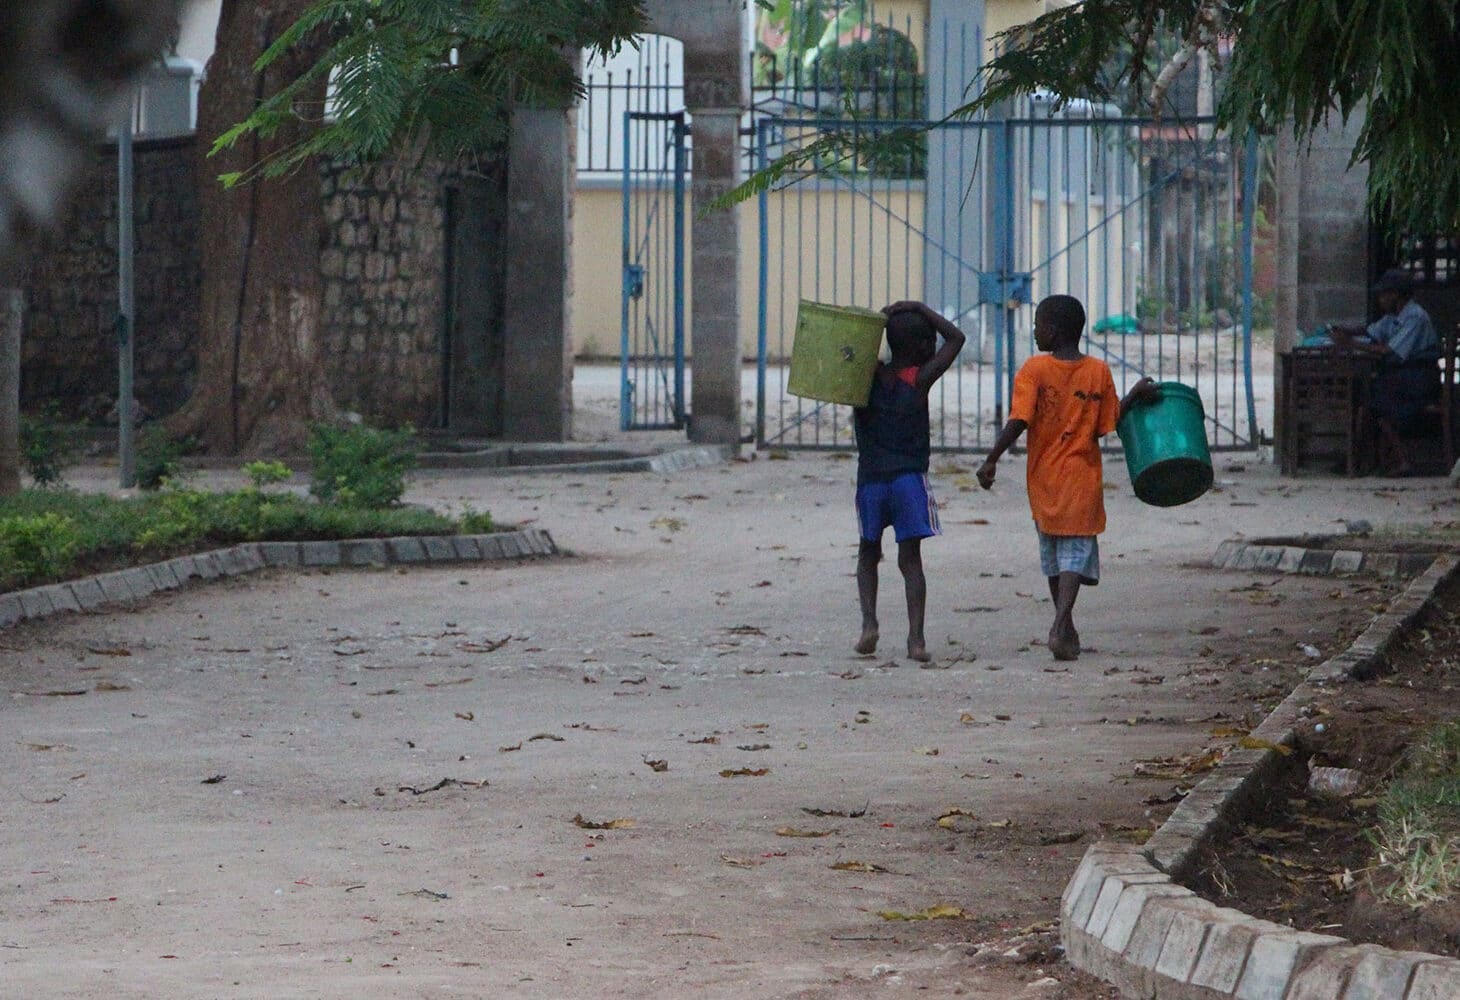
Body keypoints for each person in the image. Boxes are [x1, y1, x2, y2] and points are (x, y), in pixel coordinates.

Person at [976, 295, 1158, 661]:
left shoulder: (1034, 370)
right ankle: (1064, 623)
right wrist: (1135, 395)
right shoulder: (1098, 371)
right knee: (1075, 549)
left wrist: (992, 458)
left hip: (1044, 477)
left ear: (1053, 331)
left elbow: (1019, 419)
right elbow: (1111, 422)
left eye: (1038, 325)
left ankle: (1061, 622)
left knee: (1054, 552)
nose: (1034, 331)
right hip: (1082, 476)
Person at [853, 301, 966, 662]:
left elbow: (844, 347)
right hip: (908, 482)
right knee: (910, 560)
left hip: (871, 480)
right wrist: (918, 307)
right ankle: (915, 639)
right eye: (928, 341)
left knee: (868, 552)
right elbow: (957, 337)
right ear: (921, 347)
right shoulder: (918, 379)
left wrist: (875, 325)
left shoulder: (864, 377)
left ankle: (869, 624)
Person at [1329, 268, 1441, 476]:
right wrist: (1346, 330)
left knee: (1376, 402)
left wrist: (1349, 343)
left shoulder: (1415, 317)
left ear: (1394, 295)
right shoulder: (1393, 316)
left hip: (1419, 378)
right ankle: (1362, 459)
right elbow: (1371, 331)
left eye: (1383, 295)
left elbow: (1387, 350)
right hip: (1402, 377)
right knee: (1368, 399)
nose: (1380, 300)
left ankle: (1398, 460)